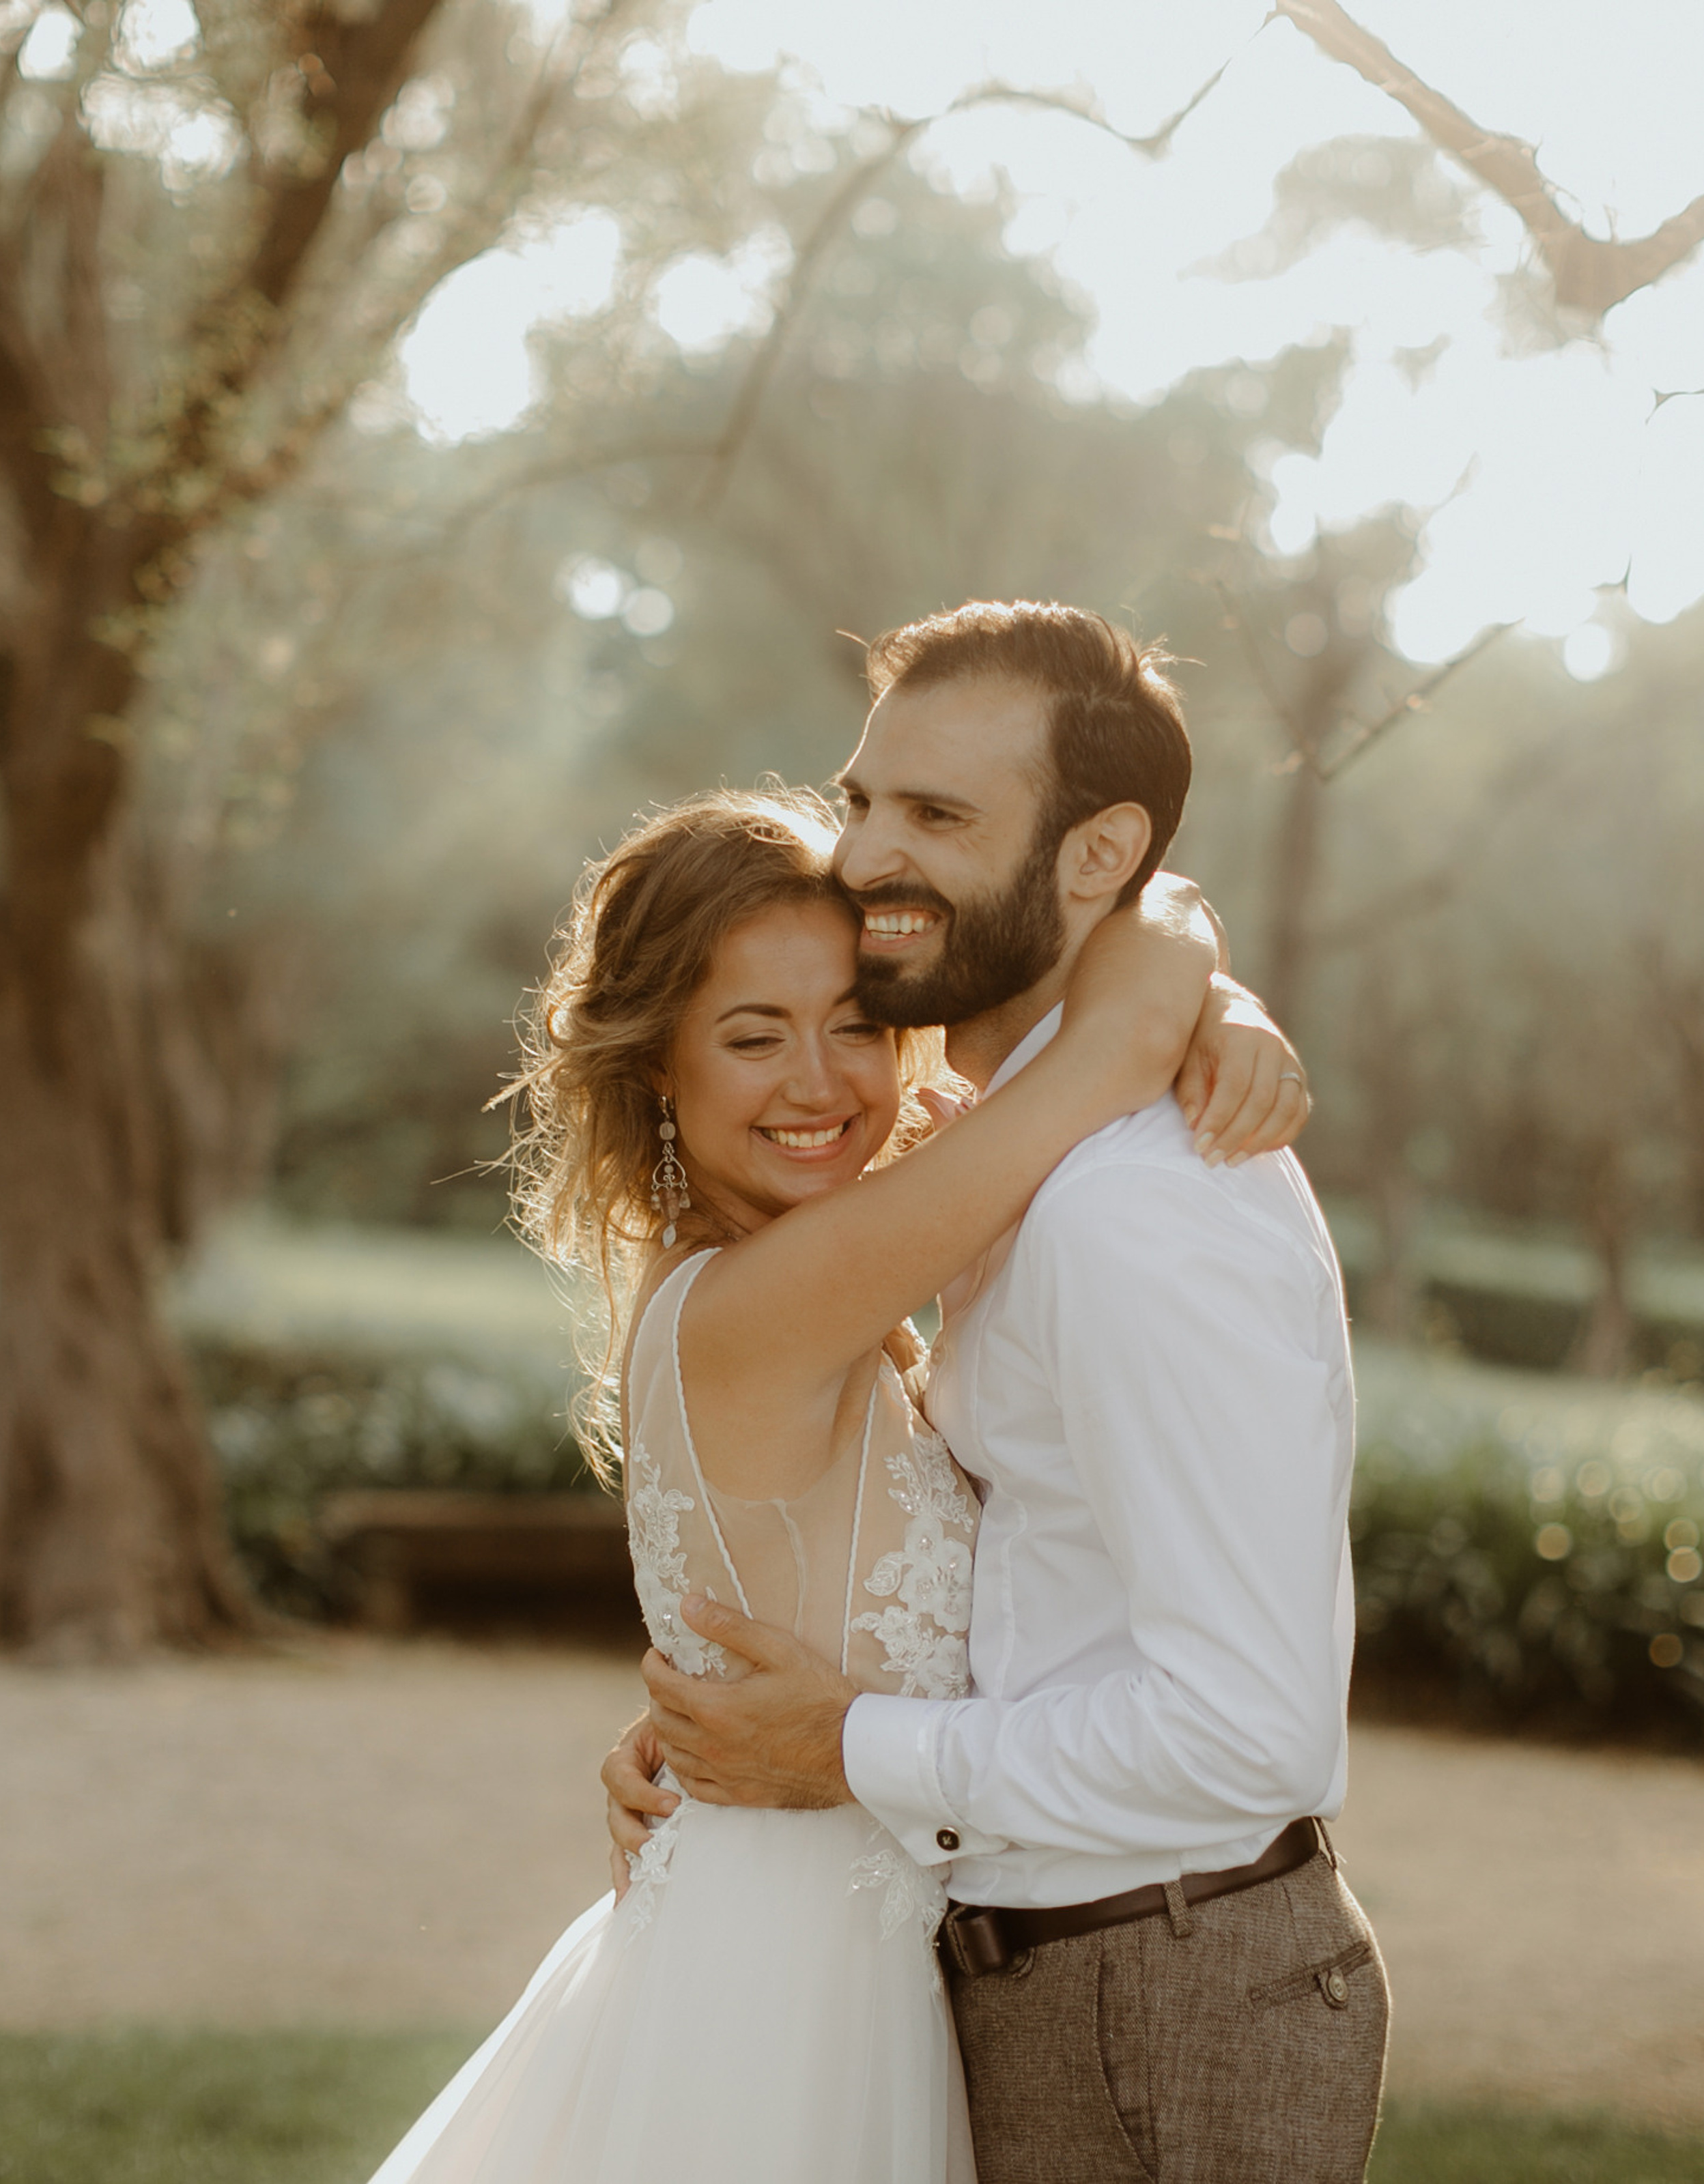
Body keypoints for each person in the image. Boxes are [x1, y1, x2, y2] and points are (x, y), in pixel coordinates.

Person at [364, 771, 1306, 2184]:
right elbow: (1108, 1039)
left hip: (839, 1953)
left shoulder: (791, 1283)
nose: (819, 1082)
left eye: (857, 1025)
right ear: (658, 1067)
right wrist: (1205, 991)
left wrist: (1204, 991)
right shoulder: (762, 1302)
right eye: (754, 1036)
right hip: (777, 1999)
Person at [607, 601, 1390, 2184]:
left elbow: (1250, 1733)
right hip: (1004, 1971)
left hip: (1159, 1985)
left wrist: (847, 1745)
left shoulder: (1124, 1207)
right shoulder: (995, 1167)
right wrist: (1170, 974)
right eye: (862, 800)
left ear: (1095, 855)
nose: (866, 857)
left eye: (937, 815)